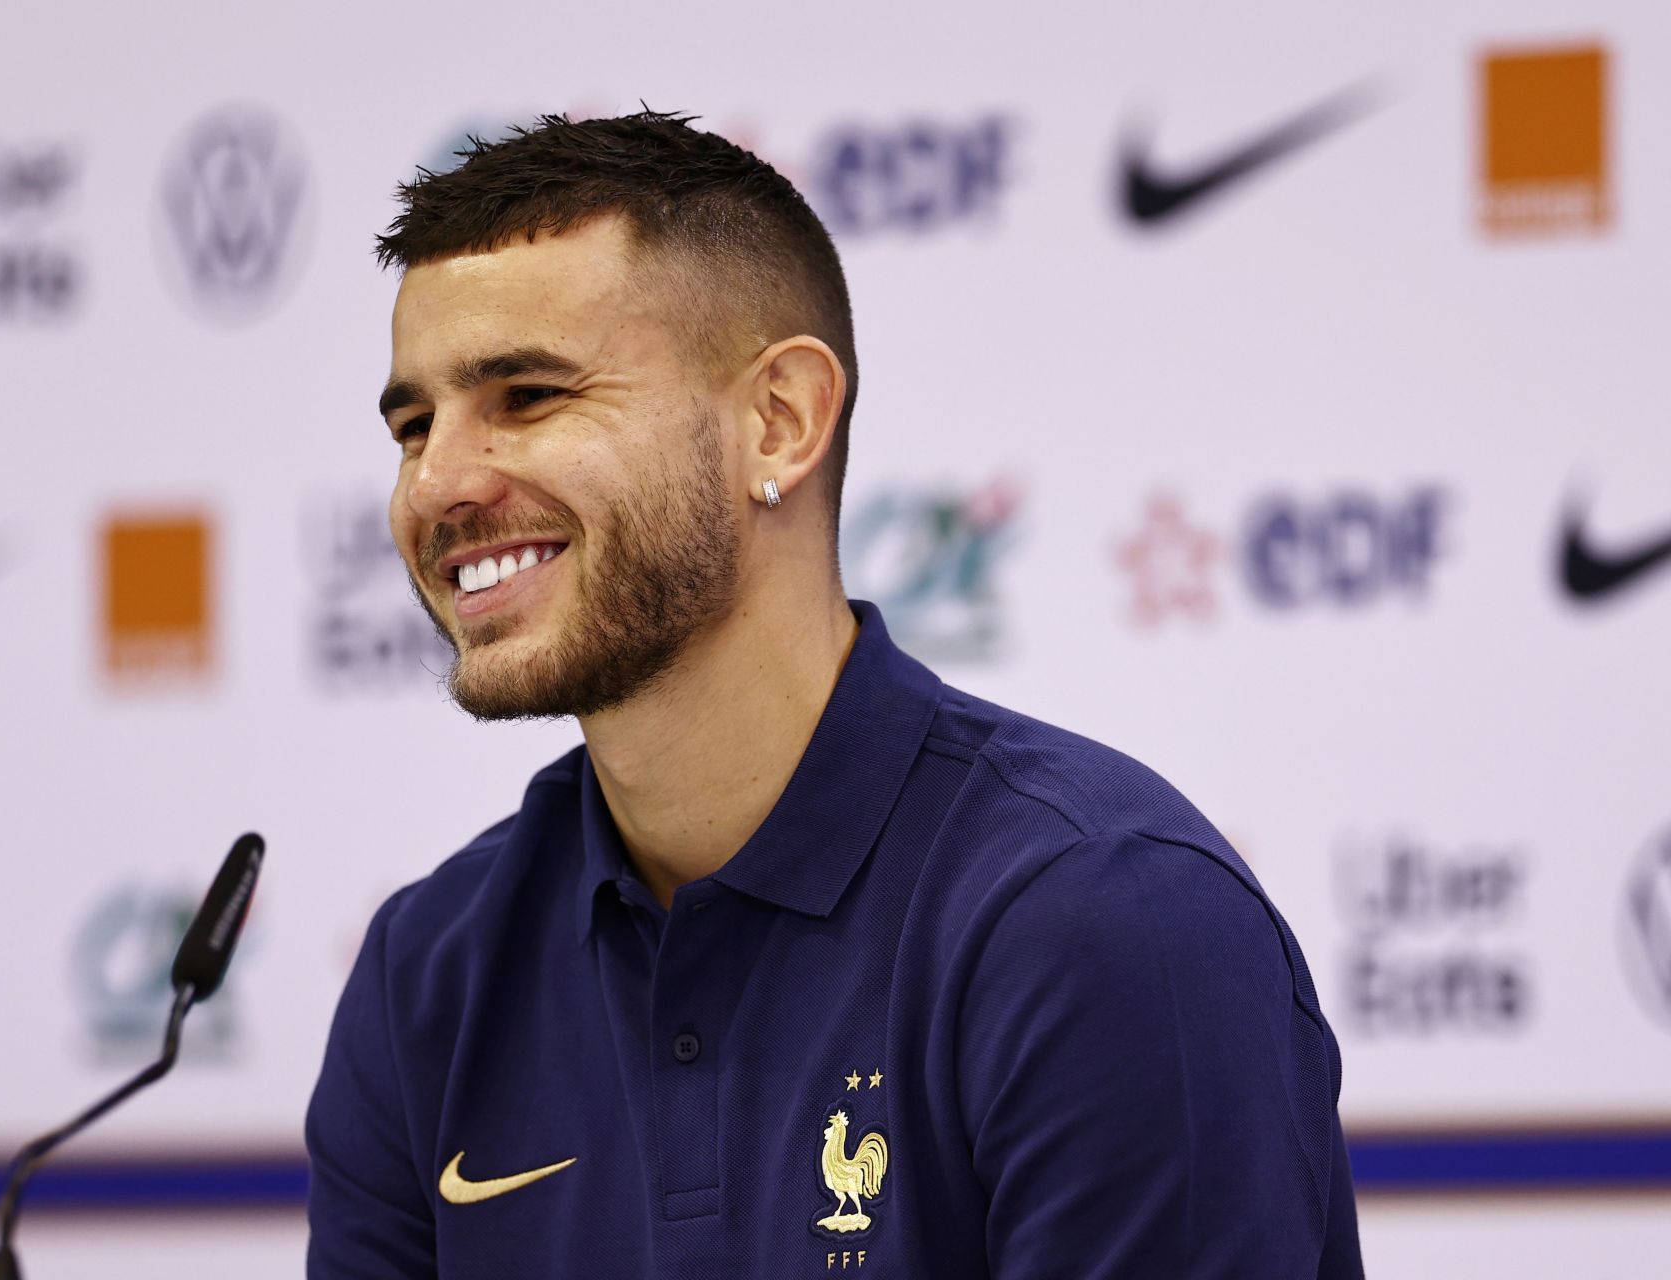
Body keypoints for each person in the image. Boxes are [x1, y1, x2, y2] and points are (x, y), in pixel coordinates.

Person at [306, 110, 1363, 1279]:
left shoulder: (1100, 916)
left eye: (530, 395)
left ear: (781, 420)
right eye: (413, 423)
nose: (438, 481)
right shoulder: (431, 970)